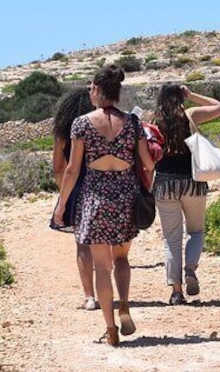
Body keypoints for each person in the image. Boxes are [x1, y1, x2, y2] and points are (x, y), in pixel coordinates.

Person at [54, 65, 156, 347]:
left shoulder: (81, 124)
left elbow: (72, 170)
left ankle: (110, 329)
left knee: (102, 267)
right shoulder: (133, 123)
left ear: (97, 90)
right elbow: (147, 163)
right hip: (126, 197)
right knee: (122, 259)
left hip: (95, 199)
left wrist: (61, 206)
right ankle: (124, 303)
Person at [154, 83, 220, 305]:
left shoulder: (153, 122)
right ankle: (190, 268)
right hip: (193, 182)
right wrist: (192, 95)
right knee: (196, 231)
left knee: (171, 238)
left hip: (165, 184)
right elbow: (219, 107)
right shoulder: (190, 115)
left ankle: (176, 292)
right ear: (180, 97)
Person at [50, 87, 96, 311]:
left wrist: (64, 195)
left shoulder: (62, 132)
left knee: (82, 244)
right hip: (102, 185)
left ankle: (89, 296)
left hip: (76, 188)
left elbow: (59, 168)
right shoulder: (99, 126)